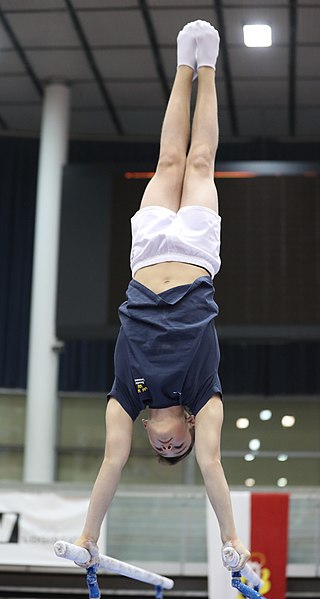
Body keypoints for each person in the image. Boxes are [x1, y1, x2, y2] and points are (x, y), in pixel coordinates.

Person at [75, 20, 250, 572]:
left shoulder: (128, 394)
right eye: (178, 449)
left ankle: (181, 64)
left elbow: (110, 461)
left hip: (148, 256)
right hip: (196, 256)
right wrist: (232, 538)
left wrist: (87, 538)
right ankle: (208, 67)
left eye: (162, 448)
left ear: (150, 430)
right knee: (200, 162)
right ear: (188, 430)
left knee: (168, 161)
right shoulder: (205, 396)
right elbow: (215, 466)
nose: (169, 447)